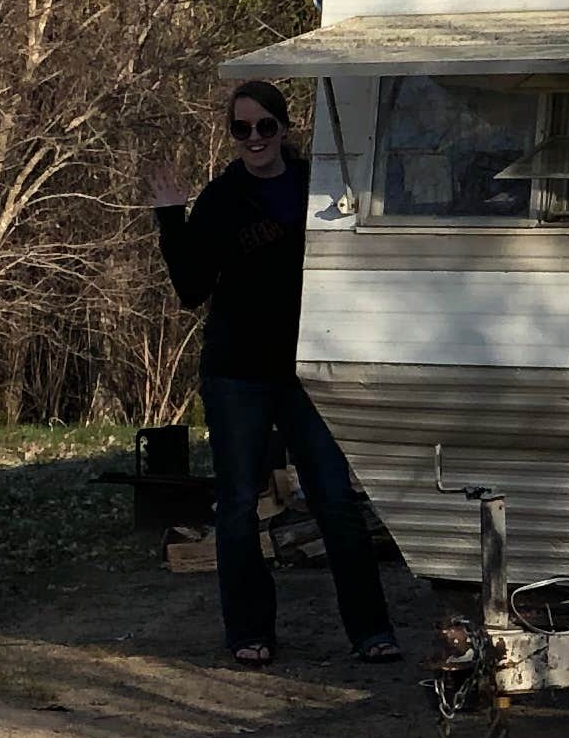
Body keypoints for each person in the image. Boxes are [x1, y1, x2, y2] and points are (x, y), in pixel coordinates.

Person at [146, 83, 397, 669]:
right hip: (237, 374)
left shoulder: (318, 189)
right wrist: (169, 217)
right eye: (242, 129)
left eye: (264, 127)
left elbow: (353, 262)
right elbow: (190, 289)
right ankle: (250, 632)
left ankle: (372, 631)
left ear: (284, 129)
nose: (254, 139)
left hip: (307, 370)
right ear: (231, 135)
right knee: (237, 504)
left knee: (335, 500)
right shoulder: (221, 200)